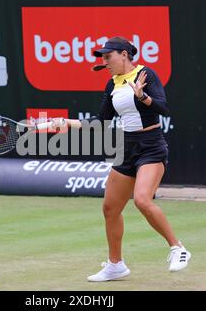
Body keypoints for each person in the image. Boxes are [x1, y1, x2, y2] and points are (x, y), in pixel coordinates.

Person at [51, 36, 191, 282]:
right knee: (110, 208)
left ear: (124, 54)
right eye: (103, 58)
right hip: (126, 148)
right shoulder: (111, 85)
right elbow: (101, 122)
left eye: (108, 56)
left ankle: (178, 248)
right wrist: (67, 123)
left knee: (142, 200)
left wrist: (143, 97)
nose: (105, 61)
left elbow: (163, 108)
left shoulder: (146, 74)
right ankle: (116, 265)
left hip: (151, 146)